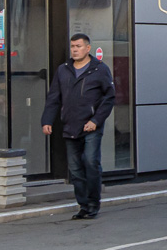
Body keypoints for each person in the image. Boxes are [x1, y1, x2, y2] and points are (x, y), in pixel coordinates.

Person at [43, 33, 117, 219]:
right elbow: (53, 97)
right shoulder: (63, 70)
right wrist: (47, 120)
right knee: (75, 169)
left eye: (78, 46)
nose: (74, 50)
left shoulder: (100, 70)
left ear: (87, 48)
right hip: (70, 126)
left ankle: (93, 204)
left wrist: (96, 121)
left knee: (91, 163)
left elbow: (109, 98)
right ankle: (83, 205)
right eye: (72, 46)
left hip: (91, 126)